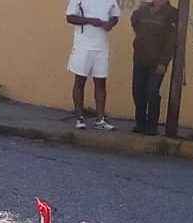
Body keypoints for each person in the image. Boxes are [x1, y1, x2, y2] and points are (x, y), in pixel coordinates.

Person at [65, 0, 120, 131]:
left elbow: (115, 15)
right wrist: (89, 21)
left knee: (101, 83)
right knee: (80, 81)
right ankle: (79, 117)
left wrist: (110, 24)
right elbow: (70, 17)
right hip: (83, 46)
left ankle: (100, 119)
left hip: (101, 46)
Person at [131, 0, 177, 135]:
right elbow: (134, 21)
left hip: (157, 62)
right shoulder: (144, 9)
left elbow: (171, 41)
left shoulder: (171, 13)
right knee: (137, 90)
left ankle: (152, 126)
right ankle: (140, 123)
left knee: (152, 92)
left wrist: (164, 62)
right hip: (140, 57)